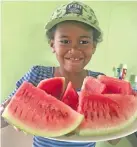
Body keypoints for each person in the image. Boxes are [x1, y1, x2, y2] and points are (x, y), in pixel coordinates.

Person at [1, 1, 121, 147]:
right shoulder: (37, 75)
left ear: (93, 46)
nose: (74, 50)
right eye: (65, 41)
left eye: (83, 42)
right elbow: (4, 115)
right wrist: (7, 110)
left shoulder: (99, 82)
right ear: (53, 45)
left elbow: (115, 140)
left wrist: (118, 115)